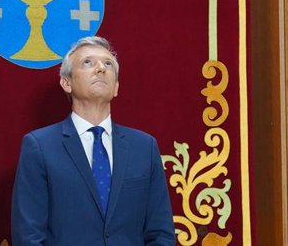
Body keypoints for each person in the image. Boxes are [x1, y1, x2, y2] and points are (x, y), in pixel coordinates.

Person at [11, 36, 175, 245]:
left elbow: (161, 233)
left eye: (107, 64)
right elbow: (29, 236)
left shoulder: (145, 147)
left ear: (116, 87)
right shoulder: (40, 146)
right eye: (88, 62)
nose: (100, 68)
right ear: (66, 82)